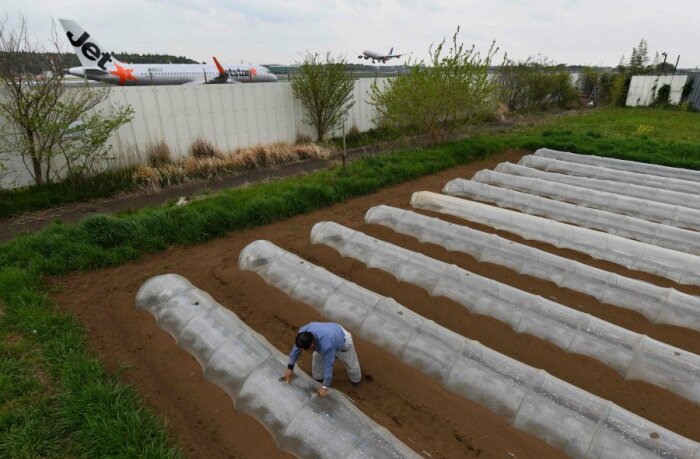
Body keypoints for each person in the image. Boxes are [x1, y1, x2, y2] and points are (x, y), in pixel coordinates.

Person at [283, 322, 362, 397]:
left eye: (305, 349)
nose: (303, 350)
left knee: (351, 364)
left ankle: (356, 381)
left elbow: (328, 366)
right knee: (316, 359)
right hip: (330, 331)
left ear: (312, 345)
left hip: (342, 341)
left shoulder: (326, 345)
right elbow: (296, 349)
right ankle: (318, 380)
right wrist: (290, 367)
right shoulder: (303, 333)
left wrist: (324, 387)